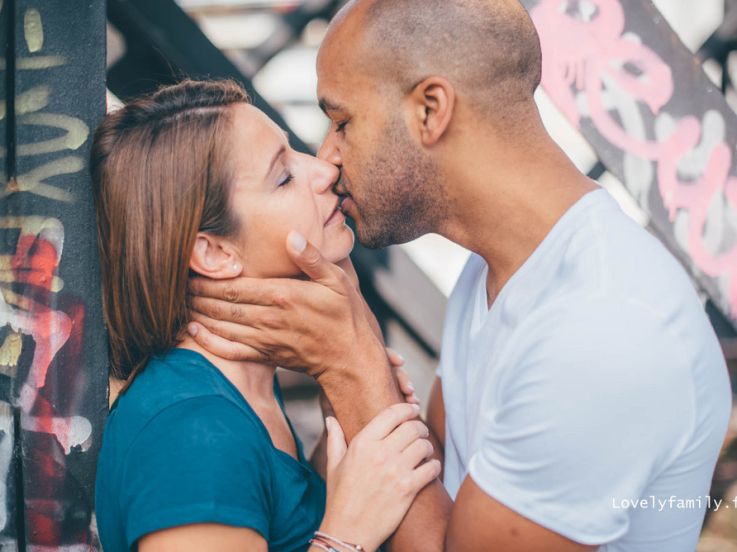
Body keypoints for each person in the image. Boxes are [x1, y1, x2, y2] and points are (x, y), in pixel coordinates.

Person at [186, 1, 733, 550]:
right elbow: (439, 467)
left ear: (430, 110)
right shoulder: (494, 269)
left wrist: (352, 362)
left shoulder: (604, 327)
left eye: (343, 122)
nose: (327, 160)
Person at [91, 79, 441, 552]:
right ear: (213, 253)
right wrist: (348, 532)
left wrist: (337, 460)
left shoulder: (246, 389)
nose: (322, 170)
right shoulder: (191, 432)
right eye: (283, 177)